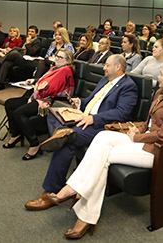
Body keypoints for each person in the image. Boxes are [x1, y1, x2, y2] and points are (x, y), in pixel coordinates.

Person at [47, 60, 163, 239]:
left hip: (158, 150)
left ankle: (79, 205)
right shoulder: (161, 93)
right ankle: (76, 195)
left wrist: (137, 137)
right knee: (102, 137)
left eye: (162, 74)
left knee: (103, 158)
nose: (158, 76)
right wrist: (138, 129)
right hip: (143, 139)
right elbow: (150, 123)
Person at [24, 55, 138, 211]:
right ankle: (60, 134)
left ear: (118, 67)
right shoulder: (105, 80)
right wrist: (80, 102)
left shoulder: (128, 86)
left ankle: (51, 189)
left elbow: (122, 113)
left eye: (107, 65)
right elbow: (91, 100)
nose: (103, 68)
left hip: (102, 126)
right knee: (53, 112)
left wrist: (94, 118)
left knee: (66, 141)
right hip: (84, 117)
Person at [3, 48, 75, 160]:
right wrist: (35, 82)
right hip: (40, 97)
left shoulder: (65, 70)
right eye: (56, 56)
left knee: (18, 113)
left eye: (60, 57)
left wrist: (36, 94)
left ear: (68, 60)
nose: (56, 58)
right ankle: (16, 133)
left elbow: (49, 88)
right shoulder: (55, 68)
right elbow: (44, 82)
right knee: (9, 104)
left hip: (50, 101)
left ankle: (34, 143)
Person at [0, 25, 42, 92]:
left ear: (36, 33)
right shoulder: (26, 39)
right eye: (29, 31)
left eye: (32, 32)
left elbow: (31, 52)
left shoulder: (38, 42)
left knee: (14, 52)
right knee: (6, 63)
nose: (30, 33)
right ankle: (0, 84)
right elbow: (20, 48)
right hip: (20, 56)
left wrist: (28, 43)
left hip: (27, 60)